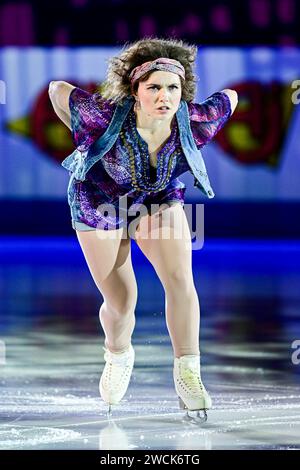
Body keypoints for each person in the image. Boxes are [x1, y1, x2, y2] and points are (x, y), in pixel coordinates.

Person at [48, 37, 238, 421]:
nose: (164, 96)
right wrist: (80, 131)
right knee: (122, 302)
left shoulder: (197, 121)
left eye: (172, 88)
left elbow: (230, 97)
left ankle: (188, 372)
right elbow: (56, 89)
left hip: (158, 198)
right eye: (153, 87)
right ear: (134, 91)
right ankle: (117, 353)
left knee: (181, 279)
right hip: (99, 199)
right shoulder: (101, 115)